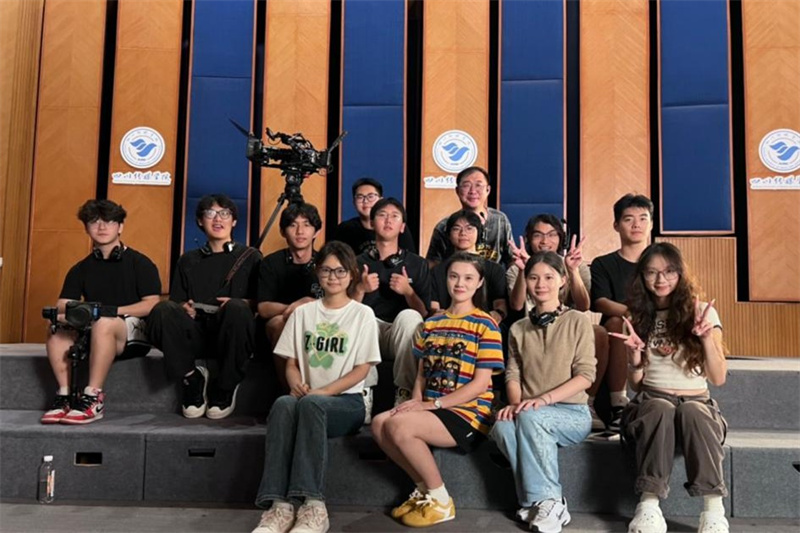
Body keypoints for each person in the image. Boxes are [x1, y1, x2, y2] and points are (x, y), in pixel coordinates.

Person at [251, 241, 381, 533]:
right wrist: (295, 383)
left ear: (352, 274)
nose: (333, 277)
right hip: (308, 398)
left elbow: (362, 369)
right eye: (326, 270)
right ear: (317, 273)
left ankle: (313, 507)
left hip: (347, 403)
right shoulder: (303, 313)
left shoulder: (362, 314)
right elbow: (291, 363)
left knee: (310, 404)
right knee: (283, 403)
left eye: (340, 271)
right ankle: (279, 507)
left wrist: (323, 393)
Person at [372, 252, 504, 527]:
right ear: (446, 278)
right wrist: (415, 402)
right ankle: (424, 490)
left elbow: (481, 384)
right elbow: (422, 374)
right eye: (454, 276)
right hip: (432, 409)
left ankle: (441, 500)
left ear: (479, 283)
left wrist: (430, 405)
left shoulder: (486, 325)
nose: (460, 283)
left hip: (467, 414)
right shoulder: (432, 323)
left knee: (398, 426)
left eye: (468, 278)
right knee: (379, 423)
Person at [611, 243, 728, 533]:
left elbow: (718, 378)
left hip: (696, 401)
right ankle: (649, 505)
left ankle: (713, 510)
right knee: (660, 408)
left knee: (694, 413)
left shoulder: (702, 313)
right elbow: (636, 385)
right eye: (651, 273)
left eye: (668, 272)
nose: (660, 279)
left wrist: (705, 339)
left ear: (680, 274)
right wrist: (635, 358)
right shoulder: (635, 318)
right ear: (642, 277)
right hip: (651, 400)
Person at [490, 251, 596, 532]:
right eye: (533, 277)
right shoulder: (518, 328)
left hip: (571, 412)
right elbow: (513, 373)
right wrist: (515, 404)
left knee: (531, 418)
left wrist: (541, 400)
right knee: (502, 427)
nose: (540, 284)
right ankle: (535, 504)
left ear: (562, 280)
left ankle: (551, 501)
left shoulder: (578, 320)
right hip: (531, 410)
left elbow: (586, 376)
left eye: (549, 277)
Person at [41, 199, 161, 425]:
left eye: (109, 221)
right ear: (86, 228)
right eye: (94, 222)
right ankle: (65, 396)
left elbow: (152, 304)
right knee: (56, 323)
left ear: (120, 227)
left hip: (132, 332)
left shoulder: (141, 263)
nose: (102, 227)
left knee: (104, 321)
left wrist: (111, 311)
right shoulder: (81, 268)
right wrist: (85, 313)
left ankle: (93, 397)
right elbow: (63, 303)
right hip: (95, 327)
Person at [147, 194, 261, 419]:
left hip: (232, 334)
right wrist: (184, 307)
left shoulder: (252, 257)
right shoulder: (187, 260)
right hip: (196, 333)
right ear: (200, 221)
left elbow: (261, 303)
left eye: (224, 214)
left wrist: (241, 303)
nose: (218, 219)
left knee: (237, 309)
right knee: (162, 310)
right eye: (210, 214)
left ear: (234, 221)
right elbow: (177, 300)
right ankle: (192, 378)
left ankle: (225, 386)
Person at [507, 213, 606, 430]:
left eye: (552, 235)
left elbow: (584, 306)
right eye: (538, 235)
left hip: (566, 328)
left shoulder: (572, 264)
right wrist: (524, 271)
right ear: (529, 238)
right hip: (531, 327)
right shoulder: (517, 267)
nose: (545, 241)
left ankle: (588, 402)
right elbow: (516, 305)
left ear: (561, 238)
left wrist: (572, 270)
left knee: (598, 332)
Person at [354, 198, 431, 403]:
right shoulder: (357, 262)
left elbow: (424, 313)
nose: (388, 220)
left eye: (394, 216)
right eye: (382, 215)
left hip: (399, 333)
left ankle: (405, 393)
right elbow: (345, 310)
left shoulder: (417, 264)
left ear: (402, 227)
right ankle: (363, 393)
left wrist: (408, 292)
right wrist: (360, 289)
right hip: (370, 331)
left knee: (410, 316)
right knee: (364, 314)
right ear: (372, 223)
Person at [590, 194, 654, 433]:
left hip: (655, 322)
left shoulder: (660, 261)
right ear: (616, 225)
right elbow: (600, 302)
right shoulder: (603, 263)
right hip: (619, 326)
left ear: (651, 224)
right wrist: (633, 313)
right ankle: (618, 403)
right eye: (628, 219)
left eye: (643, 218)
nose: (636, 224)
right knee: (616, 322)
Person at [258, 203, 325, 391]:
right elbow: (263, 308)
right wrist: (297, 307)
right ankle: (290, 391)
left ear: (316, 231)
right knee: (280, 323)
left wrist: (307, 307)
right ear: (283, 231)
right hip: (281, 322)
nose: (300, 231)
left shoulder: (325, 264)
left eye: (306, 225)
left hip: (319, 322)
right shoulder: (271, 263)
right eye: (293, 225)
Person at [425, 166, 513, 268]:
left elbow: (511, 259)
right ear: (457, 190)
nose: (473, 191)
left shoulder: (500, 220)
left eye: (478, 185)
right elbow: (433, 263)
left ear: (488, 190)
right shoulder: (444, 226)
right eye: (466, 185)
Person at [430, 210, 507, 324]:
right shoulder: (437, 271)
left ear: (479, 233)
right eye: (456, 229)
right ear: (448, 234)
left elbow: (501, 306)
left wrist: (496, 315)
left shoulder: (495, 269)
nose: (463, 233)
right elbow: (433, 306)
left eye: (469, 228)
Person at [332, 177, 416, 255]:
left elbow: (410, 259)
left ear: (381, 200)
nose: (365, 201)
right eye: (360, 197)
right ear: (354, 202)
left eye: (371, 196)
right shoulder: (345, 229)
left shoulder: (395, 227)